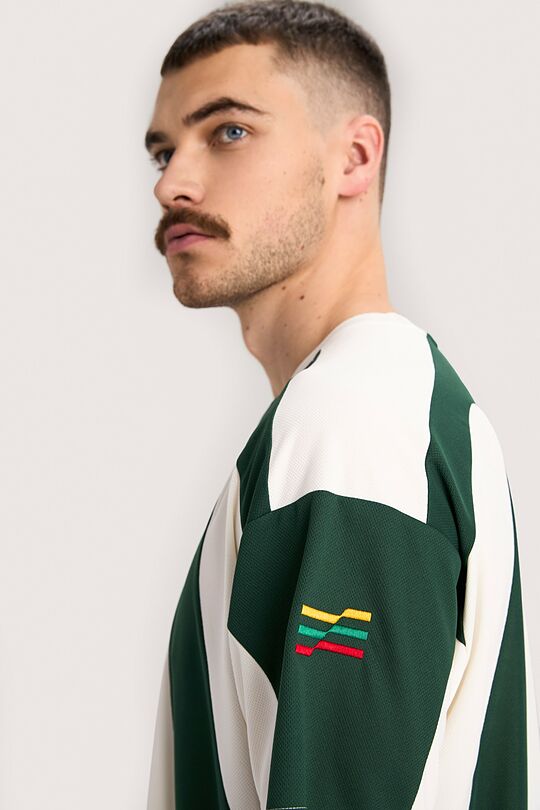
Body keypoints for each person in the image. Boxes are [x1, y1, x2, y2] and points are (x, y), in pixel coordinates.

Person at [144, 2, 540, 808]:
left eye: (228, 131)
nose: (170, 183)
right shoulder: (384, 408)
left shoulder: (353, 425)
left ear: (355, 157)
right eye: (163, 150)